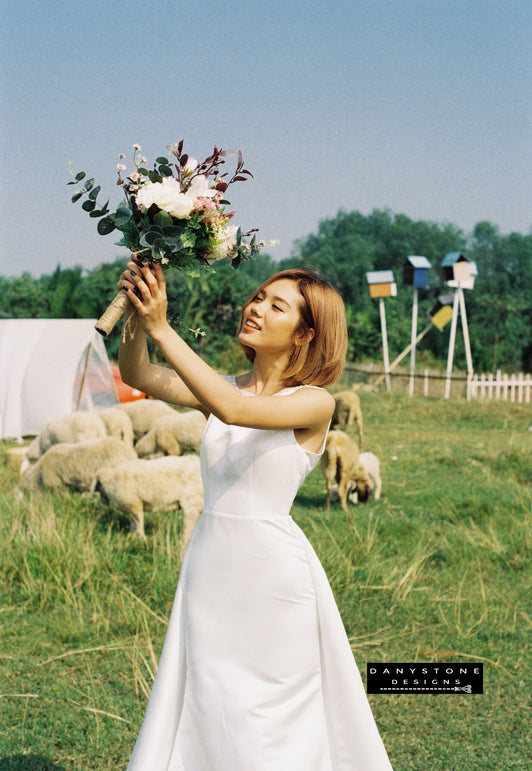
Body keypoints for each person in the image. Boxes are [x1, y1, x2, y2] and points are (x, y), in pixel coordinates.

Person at [118, 261, 393, 770]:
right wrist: (138, 308)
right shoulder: (224, 387)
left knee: (267, 717)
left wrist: (162, 326)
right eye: (258, 296)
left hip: (273, 580)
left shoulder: (314, 403)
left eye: (276, 305)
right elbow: (137, 374)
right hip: (209, 570)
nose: (256, 307)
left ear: (305, 334)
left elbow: (234, 411)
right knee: (208, 703)